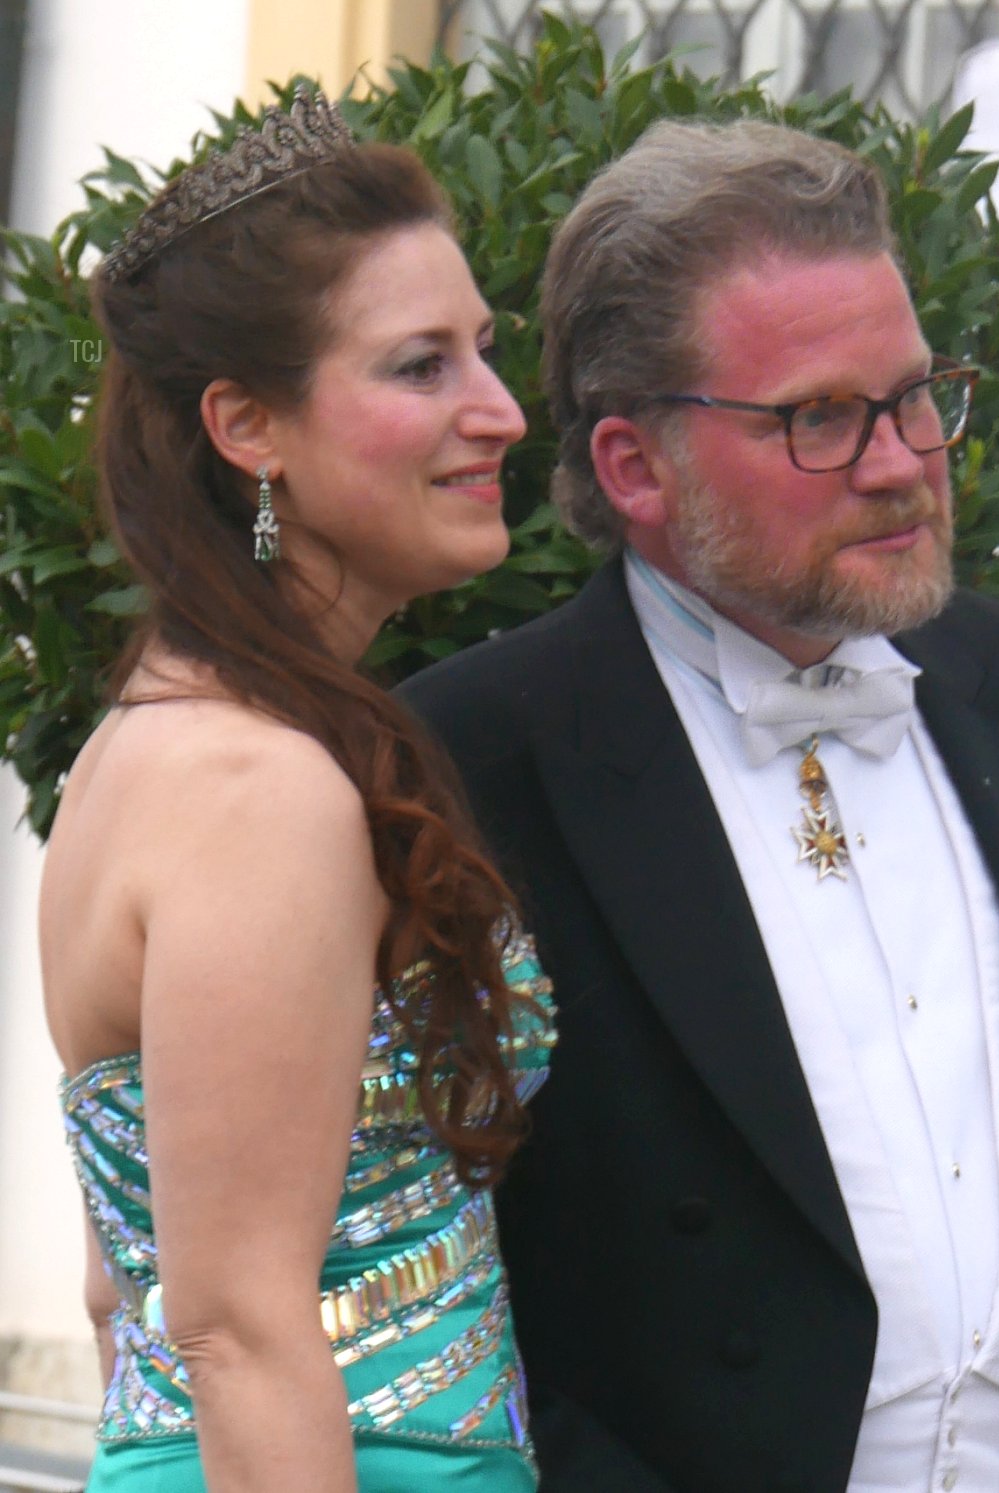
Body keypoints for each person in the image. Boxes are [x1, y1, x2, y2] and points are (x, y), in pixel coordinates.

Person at [405, 118, 999, 1493]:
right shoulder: (469, 758)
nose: (902, 461)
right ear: (635, 468)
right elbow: (438, 1302)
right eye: (821, 416)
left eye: (918, 395)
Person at [40, 92, 554, 1493]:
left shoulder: (170, 739)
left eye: (486, 353)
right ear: (247, 425)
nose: (498, 412)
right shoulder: (251, 784)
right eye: (420, 366)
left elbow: (120, 1289)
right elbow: (236, 1326)